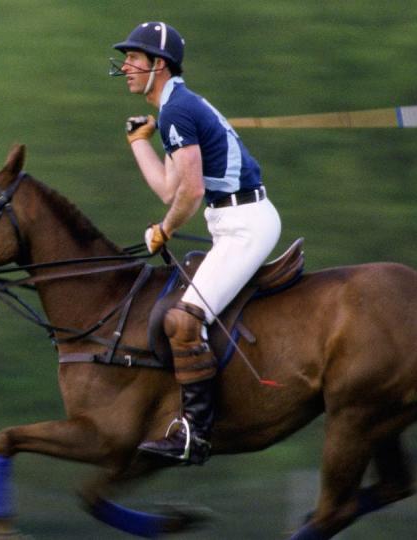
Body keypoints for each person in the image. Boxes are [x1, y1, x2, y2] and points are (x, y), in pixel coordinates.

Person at [112, 22, 282, 465]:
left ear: (159, 66)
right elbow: (170, 190)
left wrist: (165, 230)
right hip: (231, 221)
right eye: (127, 57)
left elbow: (186, 194)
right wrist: (137, 144)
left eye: (135, 58)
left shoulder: (178, 111)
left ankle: (195, 433)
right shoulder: (176, 110)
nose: (126, 65)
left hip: (245, 223)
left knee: (183, 321)